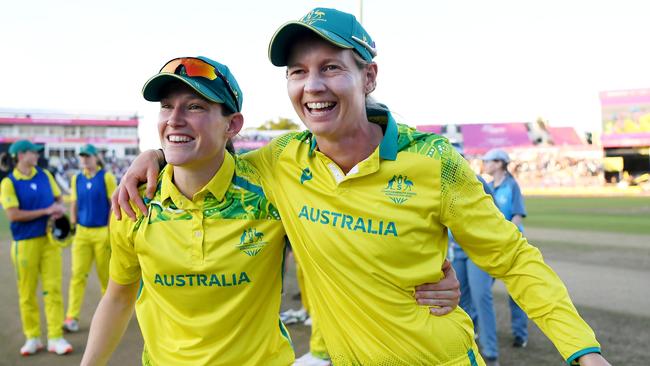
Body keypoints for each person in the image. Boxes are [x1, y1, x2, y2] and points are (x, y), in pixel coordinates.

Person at [114, 8, 610, 365]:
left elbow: (514, 260)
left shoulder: (434, 161)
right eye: (298, 72)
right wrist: (155, 154)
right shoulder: (280, 162)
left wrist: (583, 353)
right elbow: (204, 152)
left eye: (331, 67)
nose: (313, 86)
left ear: (368, 76)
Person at [82, 56, 458, 366]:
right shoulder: (135, 201)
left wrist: (427, 278)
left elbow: (355, 237)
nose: (175, 119)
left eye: (195, 106)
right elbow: (117, 297)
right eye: (167, 106)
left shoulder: (271, 190)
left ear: (232, 125)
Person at [0, 140, 73, 356]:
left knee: (53, 290)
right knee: (27, 293)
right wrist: (45, 211)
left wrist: (58, 209)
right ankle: (32, 337)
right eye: (33, 152)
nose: (37, 155)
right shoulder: (8, 183)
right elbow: (13, 214)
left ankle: (55, 337)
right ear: (21, 155)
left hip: (49, 242)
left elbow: (58, 199)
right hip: (24, 244)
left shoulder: (45, 175)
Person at [63, 144, 117, 333]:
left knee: (105, 278)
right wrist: (72, 224)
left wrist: (111, 231)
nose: (84, 159)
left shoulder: (107, 177)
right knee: (77, 275)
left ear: (96, 157)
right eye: (82, 156)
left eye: (88, 156)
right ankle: (72, 316)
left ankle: (110, 317)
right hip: (82, 233)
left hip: (102, 232)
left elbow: (114, 204)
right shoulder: (76, 178)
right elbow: (74, 204)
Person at [449, 176, 500, 365]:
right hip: (456, 250)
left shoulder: (475, 179)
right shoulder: (431, 175)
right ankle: (467, 344)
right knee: (460, 301)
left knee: (481, 297)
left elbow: (495, 213)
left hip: (478, 249)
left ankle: (491, 352)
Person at [482, 148, 529, 348]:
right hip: (491, 246)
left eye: (488, 160)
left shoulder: (512, 186)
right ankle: (475, 329)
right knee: (480, 290)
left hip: (509, 246)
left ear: (500, 163)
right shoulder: (488, 186)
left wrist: (505, 235)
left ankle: (521, 334)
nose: (485, 163)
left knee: (516, 292)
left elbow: (517, 215)